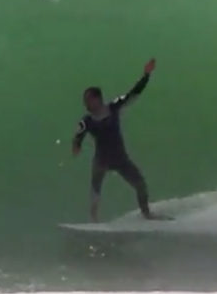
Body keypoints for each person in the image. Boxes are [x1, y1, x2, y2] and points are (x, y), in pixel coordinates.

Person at [71, 58, 169, 222]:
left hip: (120, 158)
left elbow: (134, 93)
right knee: (95, 188)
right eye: (85, 100)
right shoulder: (86, 120)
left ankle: (147, 213)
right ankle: (94, 220)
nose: (85, 103)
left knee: (140, 184)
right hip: (101, 161)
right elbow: (78, 135)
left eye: (88, 100)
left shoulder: (114, 106)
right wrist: (76, 146)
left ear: (97, 99)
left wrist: (146, 75)